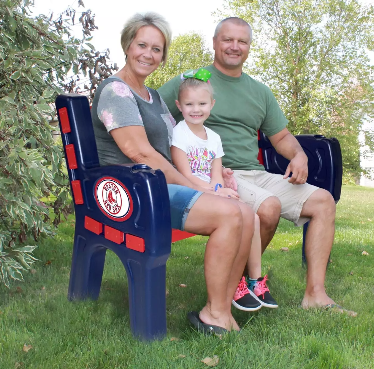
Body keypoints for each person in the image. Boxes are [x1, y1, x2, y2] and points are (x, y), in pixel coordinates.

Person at [158, 17, 356, 315]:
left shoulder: (260, 91)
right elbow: (152, 110)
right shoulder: (193, 82)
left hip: (257, 173)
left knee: (323, 202)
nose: (234, 46)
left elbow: (282, 136)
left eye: (242, 41)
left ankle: (315, 294)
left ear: (249, 47)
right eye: (227, 39)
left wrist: (299, 155)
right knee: (268, 207)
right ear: (215, 43)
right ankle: (239, 283)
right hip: (218, 174)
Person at [91, 12, 258, 333]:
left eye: (157, 49)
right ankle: (217, 313)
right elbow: (139, 152)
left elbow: (176, 147)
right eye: (142, 45)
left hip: (156, 185)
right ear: (127, 45)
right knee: (228, 215)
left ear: (163, 56)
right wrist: (197, 188)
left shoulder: (152, 96)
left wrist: (214, 174)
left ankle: (219, 308)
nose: (148, 54)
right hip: (131, 191)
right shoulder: (116, 91)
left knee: (246, 213)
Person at [171, 69, 278, 310]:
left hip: (211, 190)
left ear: (212, 104)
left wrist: (220, 187)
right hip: (192, 191)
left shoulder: (214, 138)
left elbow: (216, 172)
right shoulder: (179, 133)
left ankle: (254, 281)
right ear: (179, 105)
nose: (195, 109)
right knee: (237, 215)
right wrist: (215, 191)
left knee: (252, 215)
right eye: (189, 104)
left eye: (202, 103)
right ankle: (235, 283)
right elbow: (185, 174)